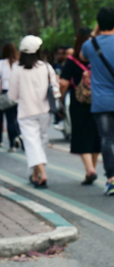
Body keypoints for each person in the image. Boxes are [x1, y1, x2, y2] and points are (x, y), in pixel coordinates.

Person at [8, 35, 59, 188]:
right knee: (41, 143)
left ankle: (42, 174)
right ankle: (36, 174)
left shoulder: (17, 69)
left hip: (26, 112)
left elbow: (12, 95)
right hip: (44, 111)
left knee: (32, 144)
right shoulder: (45, 67)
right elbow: (55, 88)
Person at [60, 28, 101, 185]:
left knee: (81, 135)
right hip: (98, 100)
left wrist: (61, 99)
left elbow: (63, 83)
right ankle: (92, 169)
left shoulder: (71, 60)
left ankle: (89, 170)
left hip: (78, 103)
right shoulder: (97, 57)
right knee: (96, 136)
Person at [80, 7, 114, 196]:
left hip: (101, 102)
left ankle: (111, 179)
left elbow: (83, 58)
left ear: (99, 25)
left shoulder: (90, 45)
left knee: (107, 140)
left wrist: (95, 33)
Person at [0, 43, 21, 152]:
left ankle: (8, 143)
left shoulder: (1, 63)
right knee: (13, 118)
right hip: (17, 93)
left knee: (3, 118)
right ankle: (16, 139)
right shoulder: (18, 63)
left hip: (5, 93)